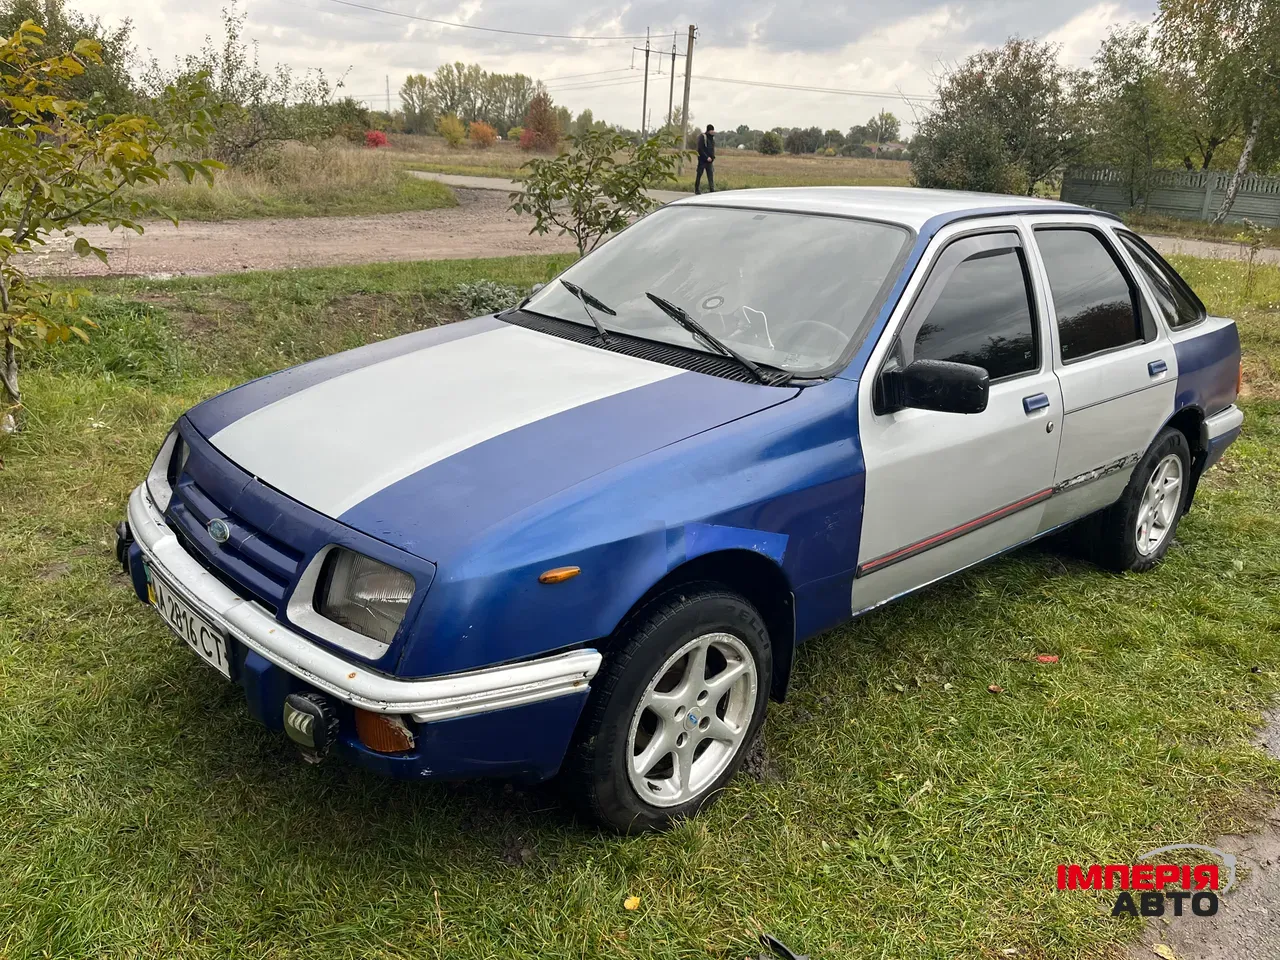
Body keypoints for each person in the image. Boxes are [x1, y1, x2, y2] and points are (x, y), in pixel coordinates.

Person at [695, 124, 716, 194]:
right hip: (702, 160)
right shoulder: (703, 137)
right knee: (699, 174)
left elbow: (712, 149)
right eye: (712, 130)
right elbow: (700, 149)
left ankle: (712, 189)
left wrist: (712, 157)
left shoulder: (712, 138)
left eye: (713, 130)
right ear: (709, 130)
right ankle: (697, 189)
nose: (713, 131)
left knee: (710, 175)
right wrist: (706, 157)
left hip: (710, 161)